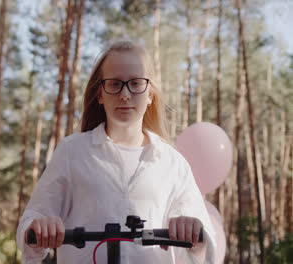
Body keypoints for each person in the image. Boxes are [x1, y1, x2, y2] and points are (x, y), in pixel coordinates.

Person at [16, 40, 216, 264]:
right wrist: (39, 227)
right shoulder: (72, 152)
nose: (124, 94)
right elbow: (32, 222)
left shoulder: (173, 164)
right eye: (114, 84)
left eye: (136, 83)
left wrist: (195, 234)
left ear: (150, 94)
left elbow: (205, 247)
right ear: (100, 93)